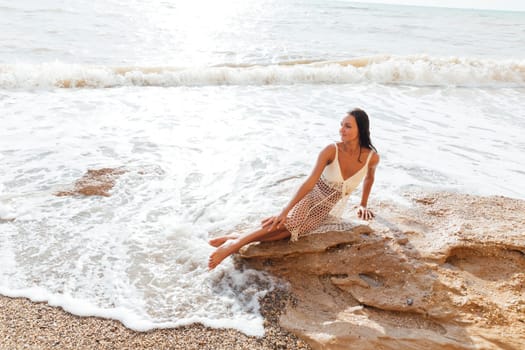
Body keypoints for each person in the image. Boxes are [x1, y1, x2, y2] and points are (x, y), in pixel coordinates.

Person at [208, 108, 380, 270]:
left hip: (325, 208)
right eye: (341, 125)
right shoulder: (331, 150)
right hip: (311, 196)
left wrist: (363, 204)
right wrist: (285, 211)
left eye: (347, 126)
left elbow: (369, 178)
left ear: (361, 129)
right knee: (290, 223)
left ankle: (236, 238)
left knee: (289, 233)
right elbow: (309, 182)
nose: (341, 129)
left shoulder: (371, 158)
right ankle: (234, 245)